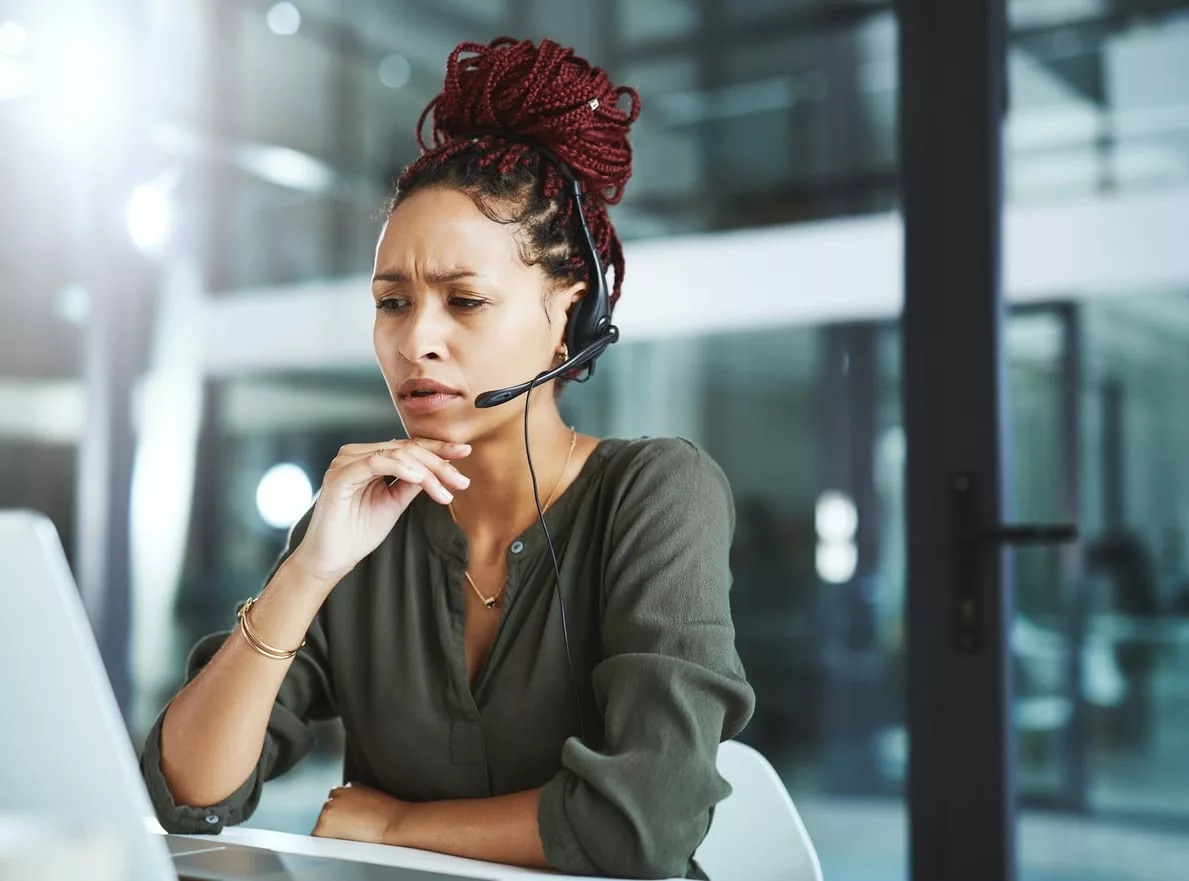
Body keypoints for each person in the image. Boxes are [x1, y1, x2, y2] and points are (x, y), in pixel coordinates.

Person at [140, 36, 754, 880]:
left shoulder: (655, 491)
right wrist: (308, 571)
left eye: (464, 301)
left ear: (568, 314)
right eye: (392, 302)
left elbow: (642, 822)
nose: (415, 340)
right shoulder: (362, 516)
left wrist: (395, 826)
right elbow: (189, 795)